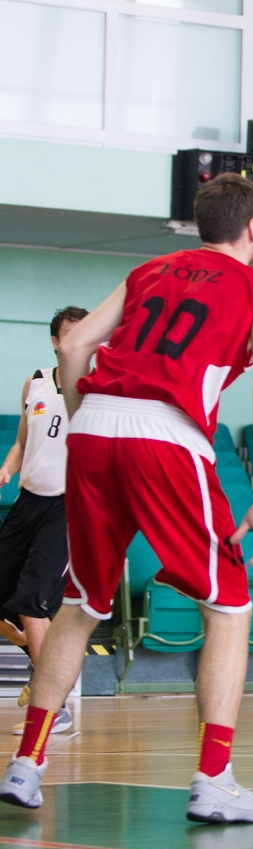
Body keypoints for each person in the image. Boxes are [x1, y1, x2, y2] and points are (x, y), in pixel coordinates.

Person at [2, 173, 253, 823]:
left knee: (80, 602)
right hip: (166, 432)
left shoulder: (151, 268)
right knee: (232, 604)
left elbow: (76, 346)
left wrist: (86, 423)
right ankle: (214, 778)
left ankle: (25, 764)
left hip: (96, 426)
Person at [0, 306, 87, 735]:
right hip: (27, 502)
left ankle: (54, 708)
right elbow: (21, 442)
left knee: (33, 603)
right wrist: (6, 467)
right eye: (68, 334)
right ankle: (43, 667)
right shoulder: (34, 382)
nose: (74, 341)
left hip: (67, 507)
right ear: (55, 342)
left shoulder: (95, 388)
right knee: (7, 598)